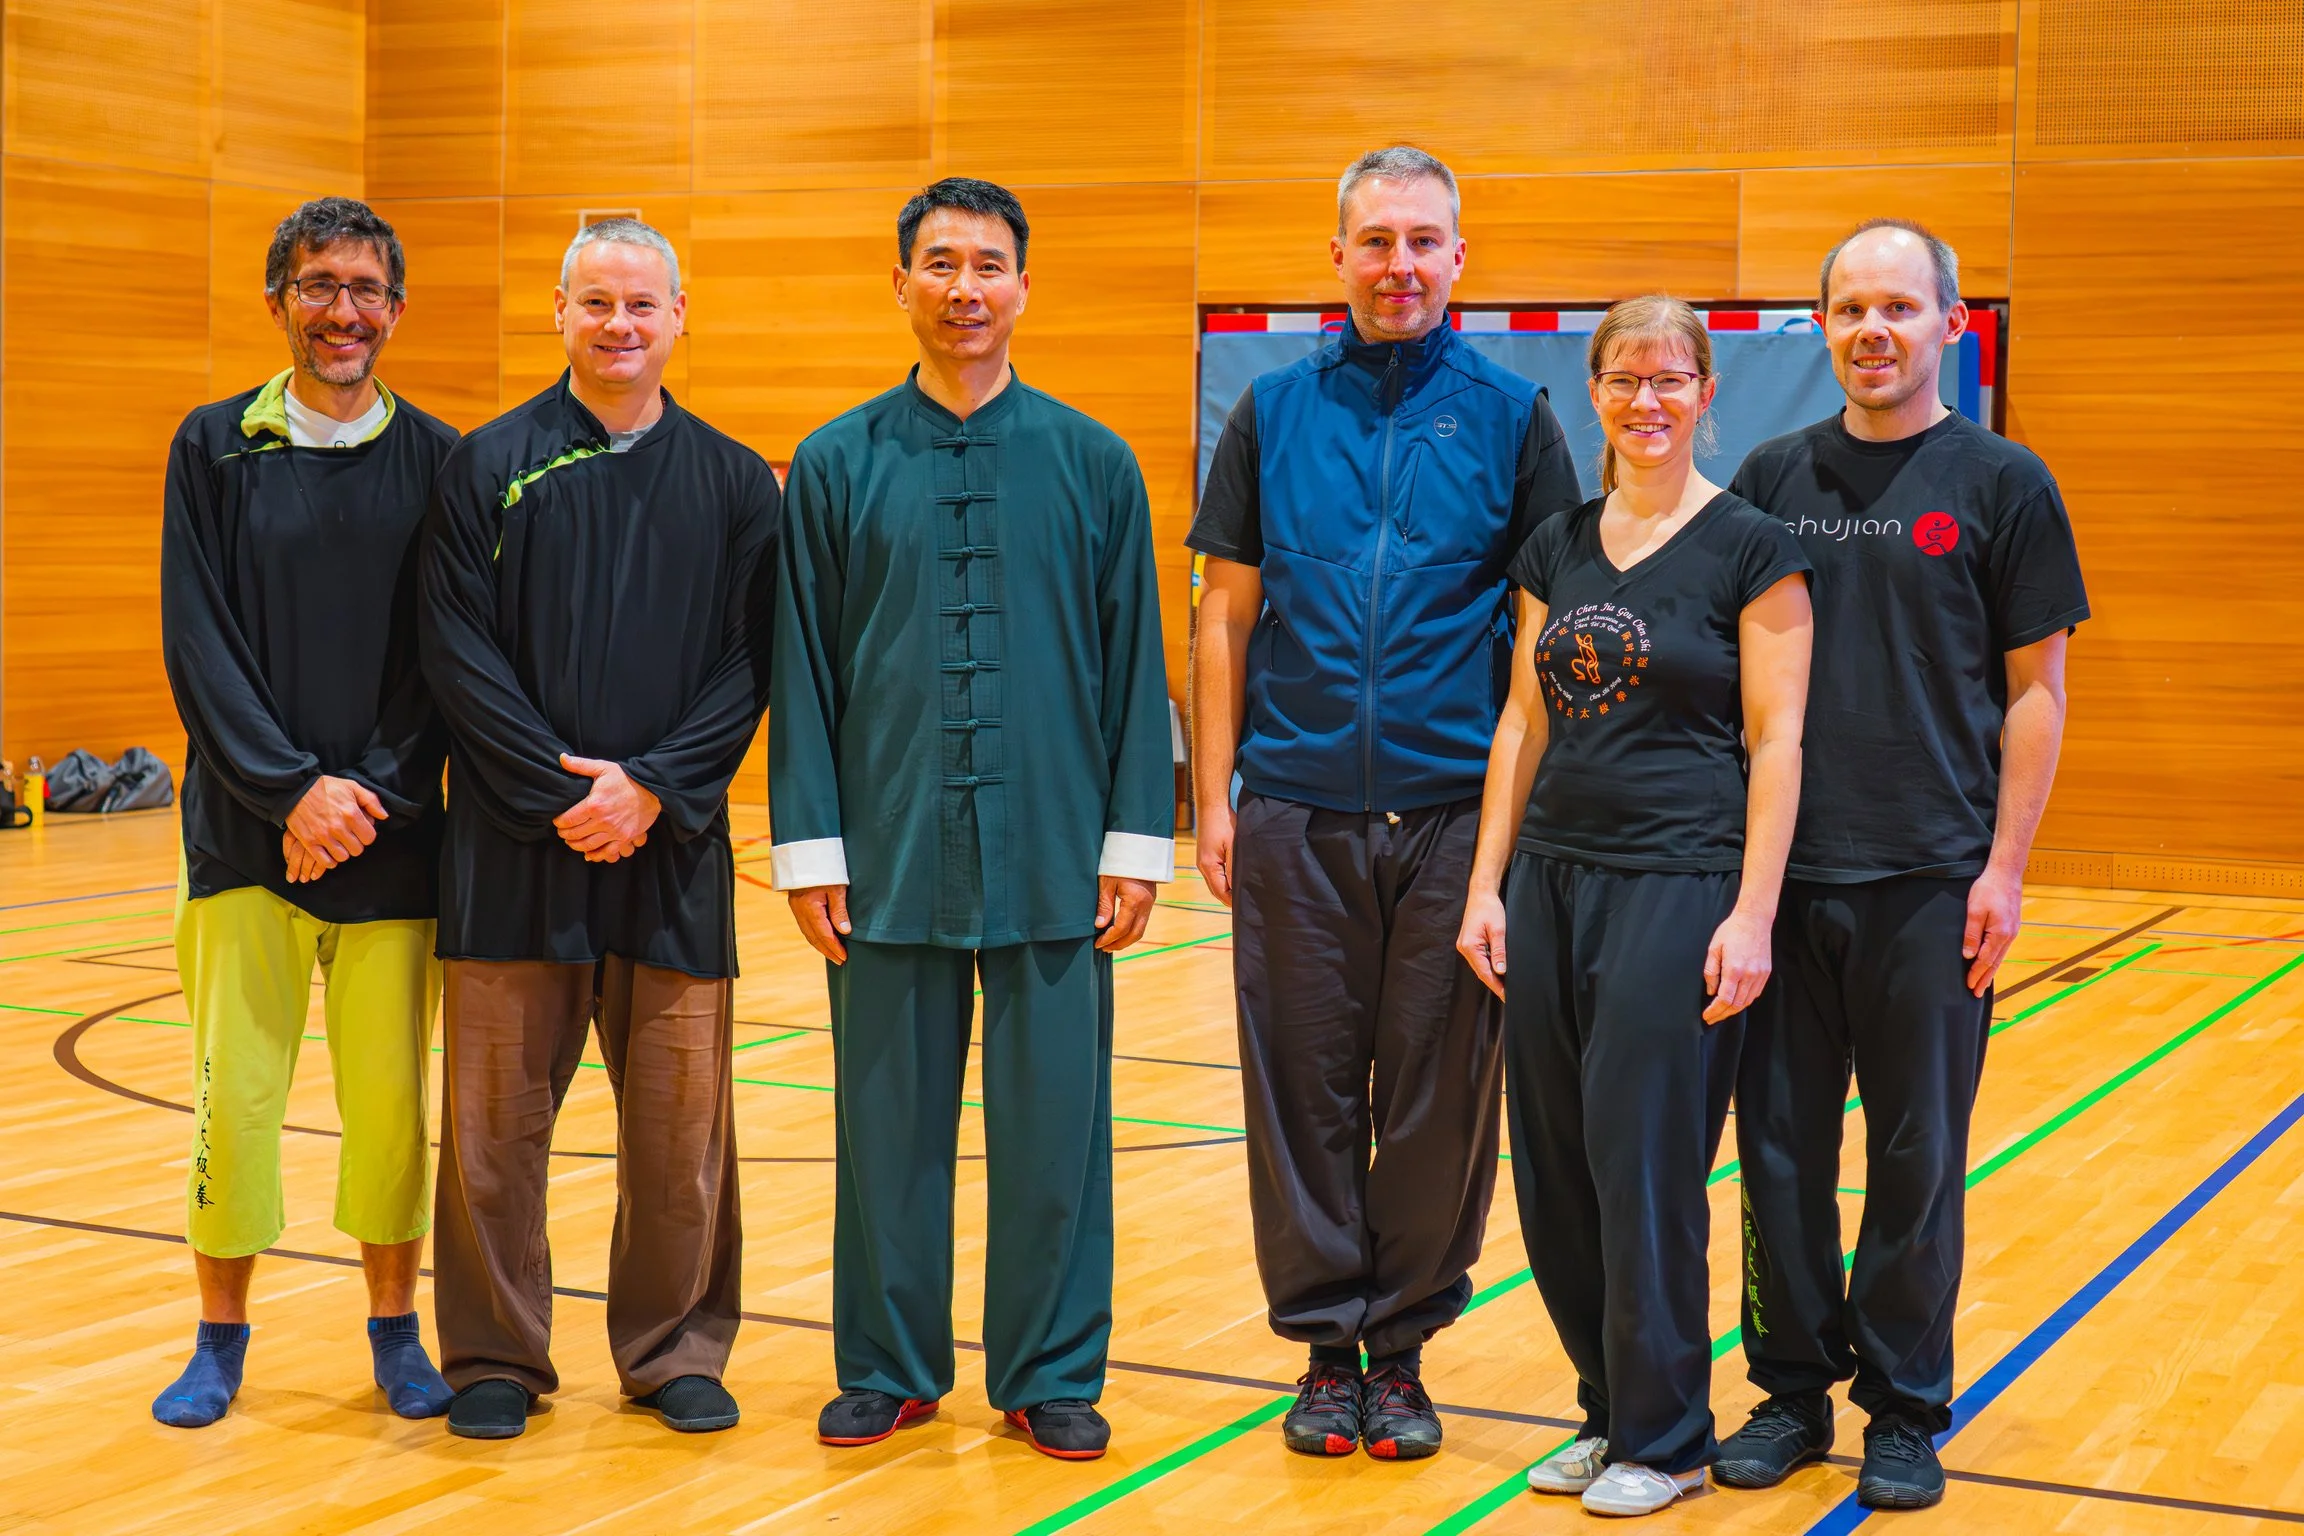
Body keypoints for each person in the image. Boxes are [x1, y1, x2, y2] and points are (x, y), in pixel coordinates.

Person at [1187, 145, 1584, 1461]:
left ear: (1459, 259)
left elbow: (1546, 638)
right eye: (1376, 240)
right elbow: (1224, 613)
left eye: (1424, 240)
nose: (1399, 263)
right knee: (1299, 1088)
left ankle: (1401, 1350)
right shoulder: (1268, 414)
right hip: (1294, 809)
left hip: (1455, 821)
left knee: (1435, 1095)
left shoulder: (1516, 418)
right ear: (1338, 255)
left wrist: (1517, 831)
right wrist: (1215, 798)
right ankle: (1321, 1349)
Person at [771, 177, 1173, 1463]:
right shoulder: (834, 463)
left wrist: (1132, 840)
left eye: (988, 265)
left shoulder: (1095, 462)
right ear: (899, 285)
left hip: (1060, 848)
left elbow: (1132, 663)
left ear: (1022, 288)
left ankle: (1051, 1369)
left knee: (1059, 1128)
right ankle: (887, 1364)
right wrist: (812, 848)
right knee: (885, 1122)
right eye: (939, 264)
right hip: (883, 852)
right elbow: (804, 669)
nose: (964, 288)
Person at [1713, 219, 2087, 1512]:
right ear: (1821, 325)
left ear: (1949, 322)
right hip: (1786, 885)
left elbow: (2037, 695)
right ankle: (1790, 1392)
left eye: (1899, 308)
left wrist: (2005, 870)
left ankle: (1904, 1408)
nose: (1873, 330)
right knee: (1777, 1155)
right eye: (1849, 309)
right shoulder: (1767, 476)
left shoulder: (2003, 483)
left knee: (1918, 1160)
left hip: (1935, 885)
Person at [418, 217, 780, 1440]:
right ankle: (492, 1357)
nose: (618, 325)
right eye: (595, 303)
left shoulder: (736, 482)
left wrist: (656, 789)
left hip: (670, 857)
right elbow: (454, 655)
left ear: (683, 316)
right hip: (512, 857)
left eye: (641, 304)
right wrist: (564, 794)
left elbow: (751, 663)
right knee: (490, 1137)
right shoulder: (485, 465)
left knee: (680, 1136)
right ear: (559, 315)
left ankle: (673, 1345)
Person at [1457, 295, 1813, 1517]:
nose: (1647, 401)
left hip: (1681, 885)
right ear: (1593, 389)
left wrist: (1752, 912)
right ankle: (1605, 1413)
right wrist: (1485, 887)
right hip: (1552, 882)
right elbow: (1523, 719)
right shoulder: (1556, 543)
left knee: (1646, 1165)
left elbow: (1778, 742)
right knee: (1554, 1167)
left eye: (1671, 379)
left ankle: (1664, 1435)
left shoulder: (1754, 545)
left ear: (1708, 391)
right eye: (1623, 379)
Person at [155, 197, 459, 1427]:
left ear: (395, 307)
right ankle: (218, 1341)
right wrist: (288, 790)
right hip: (246, 838)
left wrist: (366, 796)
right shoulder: (213, 445)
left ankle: (397, 1332)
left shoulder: (444, 459)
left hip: (391, 848)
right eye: (320, 286)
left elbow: (447, 658)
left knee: (392, 1110)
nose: (345, 312)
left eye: (367, 291)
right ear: (278, 296)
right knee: (235, 1099)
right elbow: (199, 639)